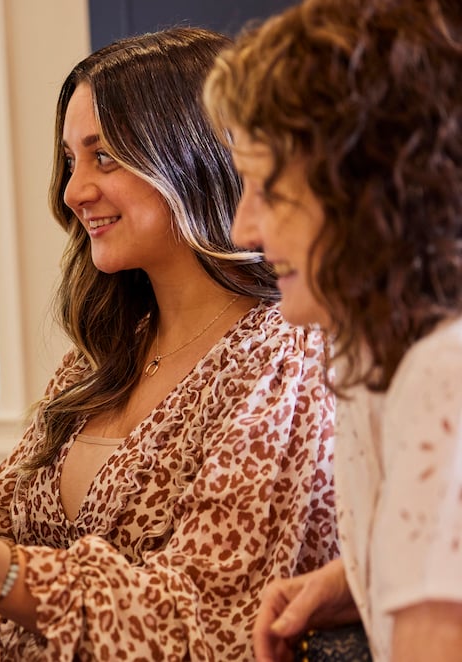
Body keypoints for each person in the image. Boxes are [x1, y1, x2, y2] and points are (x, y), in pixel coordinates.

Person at [0, 27, 340, 660]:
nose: (72, 190)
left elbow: (211, 615)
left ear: (192, 156)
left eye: (105, 156)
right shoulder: (104, 359)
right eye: (70, 159)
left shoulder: (286, 358)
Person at [202, 1, 462, 660]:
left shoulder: (444, 370)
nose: (243, 231)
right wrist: (357, 577)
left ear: (365, 191)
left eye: (269, 190)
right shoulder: (364, 347)